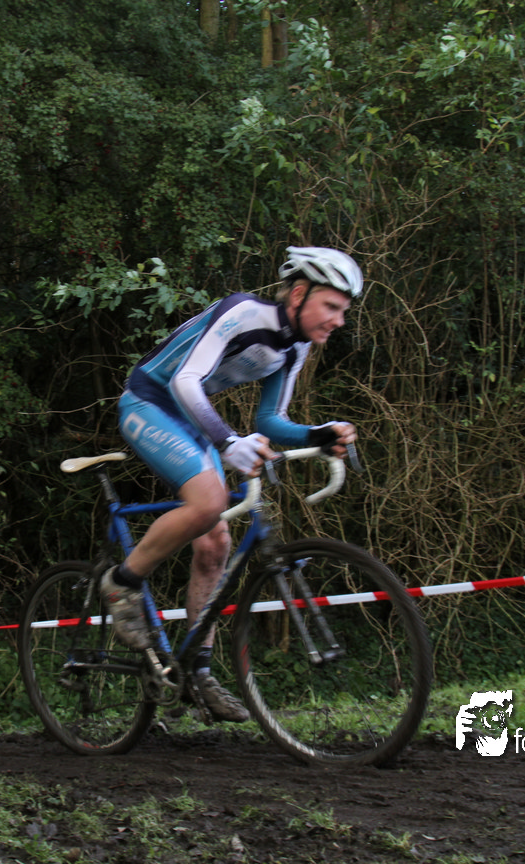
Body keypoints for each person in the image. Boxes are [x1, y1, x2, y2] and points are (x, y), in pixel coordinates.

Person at [104, 246, 363, 722]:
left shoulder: (295, 347)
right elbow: (185, 380)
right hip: (149, 401)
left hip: (191, 420)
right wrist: (227, 442)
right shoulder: (243, 312)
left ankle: (197, 673)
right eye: (331, 306)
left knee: (215, 544)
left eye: (343, 310)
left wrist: (319, 434)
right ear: (299, 295)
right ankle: (122, 584)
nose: (339, 320)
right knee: (211, 501)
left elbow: (270, 421)